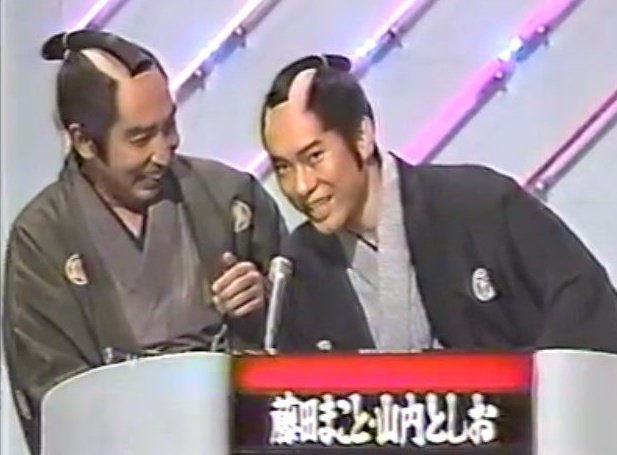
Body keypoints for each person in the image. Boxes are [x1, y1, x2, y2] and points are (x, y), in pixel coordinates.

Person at [3, 30, 285, 452]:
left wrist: (263, 301)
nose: (162, 153)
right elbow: (55, 402)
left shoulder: (230, 198)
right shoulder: (43, 240)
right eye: (139, 138)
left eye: (168, 127)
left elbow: (309, 338)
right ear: (83, 140)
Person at [259, 54, 617, 354]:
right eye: (284, 168)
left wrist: (528, 390)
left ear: (362, 137)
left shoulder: (479, 204)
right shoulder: (298, 263)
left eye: (315, 157)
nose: (302, 185)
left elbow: (587, 305)